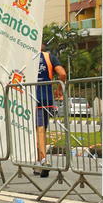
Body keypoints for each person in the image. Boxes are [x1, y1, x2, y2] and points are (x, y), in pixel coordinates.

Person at [35, 43, 67, 178]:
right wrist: (59, 90)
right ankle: (38, 162)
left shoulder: (27, 56)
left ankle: (43, 160)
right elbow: (62, 74)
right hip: (47, 98)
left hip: (32, 97)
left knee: (39, 129)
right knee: (42, 130)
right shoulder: (50, 57)